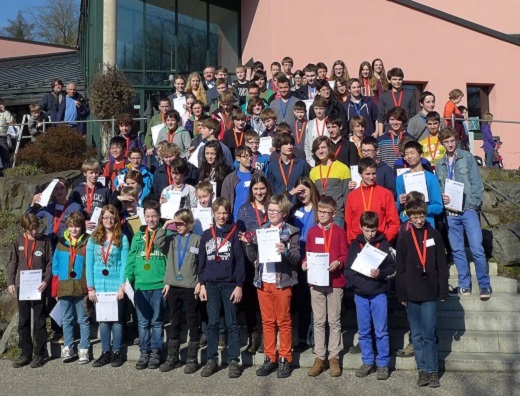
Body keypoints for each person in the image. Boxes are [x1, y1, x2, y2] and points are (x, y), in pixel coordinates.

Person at [243, 194, 300, 378]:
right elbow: (253, 258)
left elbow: (296, 259)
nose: (271, 213)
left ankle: (285, 358)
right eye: (269, 210)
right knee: (267, 322)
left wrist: (284, 252)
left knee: (283, 321)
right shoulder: (262, 229)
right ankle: (270, 357)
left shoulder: (291, 231)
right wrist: (249, 244)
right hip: (263, 280)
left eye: (275, 210)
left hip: (281, 281)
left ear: (283, 213)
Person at [396, 198, 449, 388]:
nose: (419, 220)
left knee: (429, 333)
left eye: (422, 216)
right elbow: (400, 268)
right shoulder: (404, 237)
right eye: (415, 217)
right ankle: (422, 369)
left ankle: (432, 371)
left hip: (430, 291)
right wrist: (401, 293)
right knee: (416, 335)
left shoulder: (434, 234)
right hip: (411, 292)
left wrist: (443, 289)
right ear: (408, 217)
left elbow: (441, 265)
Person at [436, 127, 492, 299]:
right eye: (446, 142)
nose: (450, 144)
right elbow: (439, 186)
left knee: (476, 248)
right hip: (451, 212)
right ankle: (464, 284)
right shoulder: (440, 164)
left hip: (468, 209)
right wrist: (442, 198)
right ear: (442, 143)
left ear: (456, 140)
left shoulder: (467, 158)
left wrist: (473, 204)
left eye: (452, 140)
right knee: (458, 250)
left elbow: (477, 183)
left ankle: (484, 284)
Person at [198, 198, 245, 378]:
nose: (221, 216)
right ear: (213, 213)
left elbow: (240, 261)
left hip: (230, 284)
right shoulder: (206, 234)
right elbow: (201, 262)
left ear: (229, 213)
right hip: (211, 285)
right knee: (213, 323)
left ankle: (233, 360)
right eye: (218, 212)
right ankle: (211, 359)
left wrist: (239, 285)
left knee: (232, 323)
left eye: (225, 212)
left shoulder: (234, 233)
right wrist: (201, 284)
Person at [345, 211, 395, 380]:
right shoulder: (354, 245)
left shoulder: (384, 244)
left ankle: (382, 364)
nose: (370, 234)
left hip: (378, 294)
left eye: (373, 230)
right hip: (360, 295)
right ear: (361, 228)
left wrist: (380, 273)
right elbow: (348, 270)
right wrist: (357, 284)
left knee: (381, 331)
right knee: (364, 331)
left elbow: (392, 268)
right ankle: (367, 361)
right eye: (367, 230)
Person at [302, 196, 347, 378]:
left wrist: (338, 262)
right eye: (319, 211)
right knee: (319, 321)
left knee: (334, 321)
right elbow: (308, 254)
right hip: (317, 281)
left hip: (335, 281)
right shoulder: (312, 232)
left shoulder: (339, 232)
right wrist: (305, 262)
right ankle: (320, 357)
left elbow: (345, 255)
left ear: (333, 214)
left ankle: (334, 357)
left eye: (325, 212)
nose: (321, 214)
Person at [155, 209, 202, 374]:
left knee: (192, 321)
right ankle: (172, 357)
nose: (179, 226)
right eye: (177, 223)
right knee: (174, 322)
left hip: (190, 287)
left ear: (189, 224)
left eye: (182, 223)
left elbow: (201, 263)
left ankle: (191, 358)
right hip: (173, 286)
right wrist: (166, 225)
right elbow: (157, 242)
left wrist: (200, 283)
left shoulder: (197, 240)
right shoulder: (172, 239)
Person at [125, 200, 167, 370]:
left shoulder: (164, 234)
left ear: (159, 216)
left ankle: (156, 351)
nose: (151, 220)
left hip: (159, 284)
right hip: (141, 286)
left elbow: (169, 260)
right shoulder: (137, 236)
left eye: (154, 216)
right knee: (143, 322)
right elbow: (131, 259)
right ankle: (144, 352)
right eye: (148, 216)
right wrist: (128, 279)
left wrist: (168, 281)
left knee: (157, 321)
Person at [86, 205, 128, 368]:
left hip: (115, 285)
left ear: (116, 219)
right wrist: (91, 287)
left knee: (116, 320)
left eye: (112, 217)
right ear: (101, 219)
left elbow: (124, 263)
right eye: (105, 217)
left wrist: (121, 286)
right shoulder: (93, 239)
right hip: (99, 285)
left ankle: (117, 352)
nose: (109, 220)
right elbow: (89, 264)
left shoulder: (122, 238)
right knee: (103, 321)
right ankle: (105, 352)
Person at [8, 214, 52, 368]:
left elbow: (49, 264)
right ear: (24, 228)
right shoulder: (19, 241)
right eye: (31, 229)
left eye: (36, 228)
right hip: (22, 285)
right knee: (23, 321)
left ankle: (39, 354)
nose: (34, 231)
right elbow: (13, 262)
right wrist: (11, 281)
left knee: (39, 320)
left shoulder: (44, 240)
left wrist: (46, 281)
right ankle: (25, 353)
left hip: (38, 285)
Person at [237, 173, 271, 354]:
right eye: (256, 189)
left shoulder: (273, 207)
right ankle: (253, 336)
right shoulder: (244, 209)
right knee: (251, 301)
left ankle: (268, 337)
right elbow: (240, 234)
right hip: (250, 261)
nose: (259, 192)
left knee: (267, 301)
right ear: (251, 191)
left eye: (262, 188)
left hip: (269, 260)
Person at [51, 212, 91, 364]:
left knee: (83, 319)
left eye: (77, 226)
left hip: (82, 287)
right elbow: (55, 267)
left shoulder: (88, 241)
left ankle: (84, 349)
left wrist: (90, 286)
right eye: (71, 226)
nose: (74, 230)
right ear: (67, 227)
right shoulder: (61, 243)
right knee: (66, 319)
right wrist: (55, 289)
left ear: (82, 227)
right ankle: (69, 347)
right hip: (64, 287)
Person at [289, 176, 319, 352]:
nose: (301, 195)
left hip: (315, 260)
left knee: (315, 300)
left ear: (311, 189)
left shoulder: (318, 209)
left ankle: (316, 337)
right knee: (301, 301)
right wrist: (291, 193)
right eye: (298, 192)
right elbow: (278, 206)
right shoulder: (294, 210)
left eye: (304, 191)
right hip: (298, 261)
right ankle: (302, 336)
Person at [346, 158, 400, 245]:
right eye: (367, 174)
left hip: (380, 241)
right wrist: (353, 242)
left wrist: (385, 240)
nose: (371, 177)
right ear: (360, 174)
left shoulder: (386, 194)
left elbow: (394, 222)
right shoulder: (352, 196)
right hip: (358, 242)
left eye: (374, 174)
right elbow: (349, 223)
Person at [396, 141, 443, 227]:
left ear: (421, 154)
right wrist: (399, 202)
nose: (409, 156)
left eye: (412, 153)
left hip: (426, 224)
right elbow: (397, 208)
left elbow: (439, 207)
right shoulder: (400, 179)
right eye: (406, 154)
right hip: (407, 225)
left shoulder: (431, 178)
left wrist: (420, 210)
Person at [27, 177, 83, 249]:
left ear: (67, 190)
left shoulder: (75, 207)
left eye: (62, 188)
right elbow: (29, 219)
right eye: (56, 189)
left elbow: (80, 227)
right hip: (49, 243)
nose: (59, 191)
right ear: (53, 192)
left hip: (67, 243)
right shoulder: (49, 206)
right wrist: (33, 203)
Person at [309, 137, 350, 227]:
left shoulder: (343, 168)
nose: (320, 151)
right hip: (319, 216)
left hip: (336, 216)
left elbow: (347, 195)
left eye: (323, 147)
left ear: (329, 148)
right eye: (317, 148)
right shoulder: (313, 171)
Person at [222, 145, 265, 221]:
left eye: (250, 156)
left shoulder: (259, 174)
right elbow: (225, 201)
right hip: (237, 218)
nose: (249, 159)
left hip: (257, 216)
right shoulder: (230, 178)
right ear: (238, 158)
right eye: (245, 156)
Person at [268, 133, 310, 203]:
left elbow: (307, 186)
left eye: (291, 144)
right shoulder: (272, 166)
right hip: (279, 205)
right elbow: (271, 188)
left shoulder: (302, 164)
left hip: (297, 205)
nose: (289, 146)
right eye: (286, 144)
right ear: (279, 146)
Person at [71, 158, 110, 230]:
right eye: (91, 173)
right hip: (83, 227)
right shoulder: (78, 191)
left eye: (96, 172)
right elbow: (73, 212)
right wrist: (82, 222)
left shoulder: (105, 190)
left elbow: (108, 209)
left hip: (101, 227)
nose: (94, 175)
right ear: (85, 173)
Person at [377, 68, 416, 136]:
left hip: (405, 129)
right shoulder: (384, 96)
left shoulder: (410, 94)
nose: (397, 81)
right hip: (388, 129)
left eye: (399, 79)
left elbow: (413, 115)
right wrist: (380, 136)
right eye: (394, 79)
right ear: (389, 80)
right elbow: (381, 117)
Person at [304, 97, 329, 166]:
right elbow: (307, 143)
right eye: (316, 108)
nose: (318, 111)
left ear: (325, 109)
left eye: (321, 108)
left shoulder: (330, 122)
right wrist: (308, 158)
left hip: (328, 156)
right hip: (314, 157)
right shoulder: (310, 123)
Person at [0, 98, 14, 171]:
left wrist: (5, 110)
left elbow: (10, 122)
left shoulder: (5, 113)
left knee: (5, 153)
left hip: (2, 136)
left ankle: (7, 170)